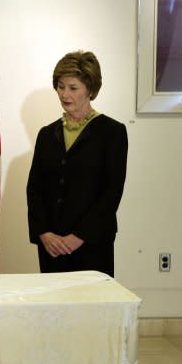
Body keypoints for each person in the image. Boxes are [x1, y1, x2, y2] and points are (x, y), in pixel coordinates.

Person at [26, 50, 128, 277]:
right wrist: (44, 233)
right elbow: (35, 188)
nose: (65, 94)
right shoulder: (46, 134)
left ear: (90, 90)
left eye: (73, 88)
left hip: (92, 243)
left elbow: (111, 191)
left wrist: (79, 236)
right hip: (51, 246)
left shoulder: (112, 132)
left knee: (92, 309)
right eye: (61, 86)